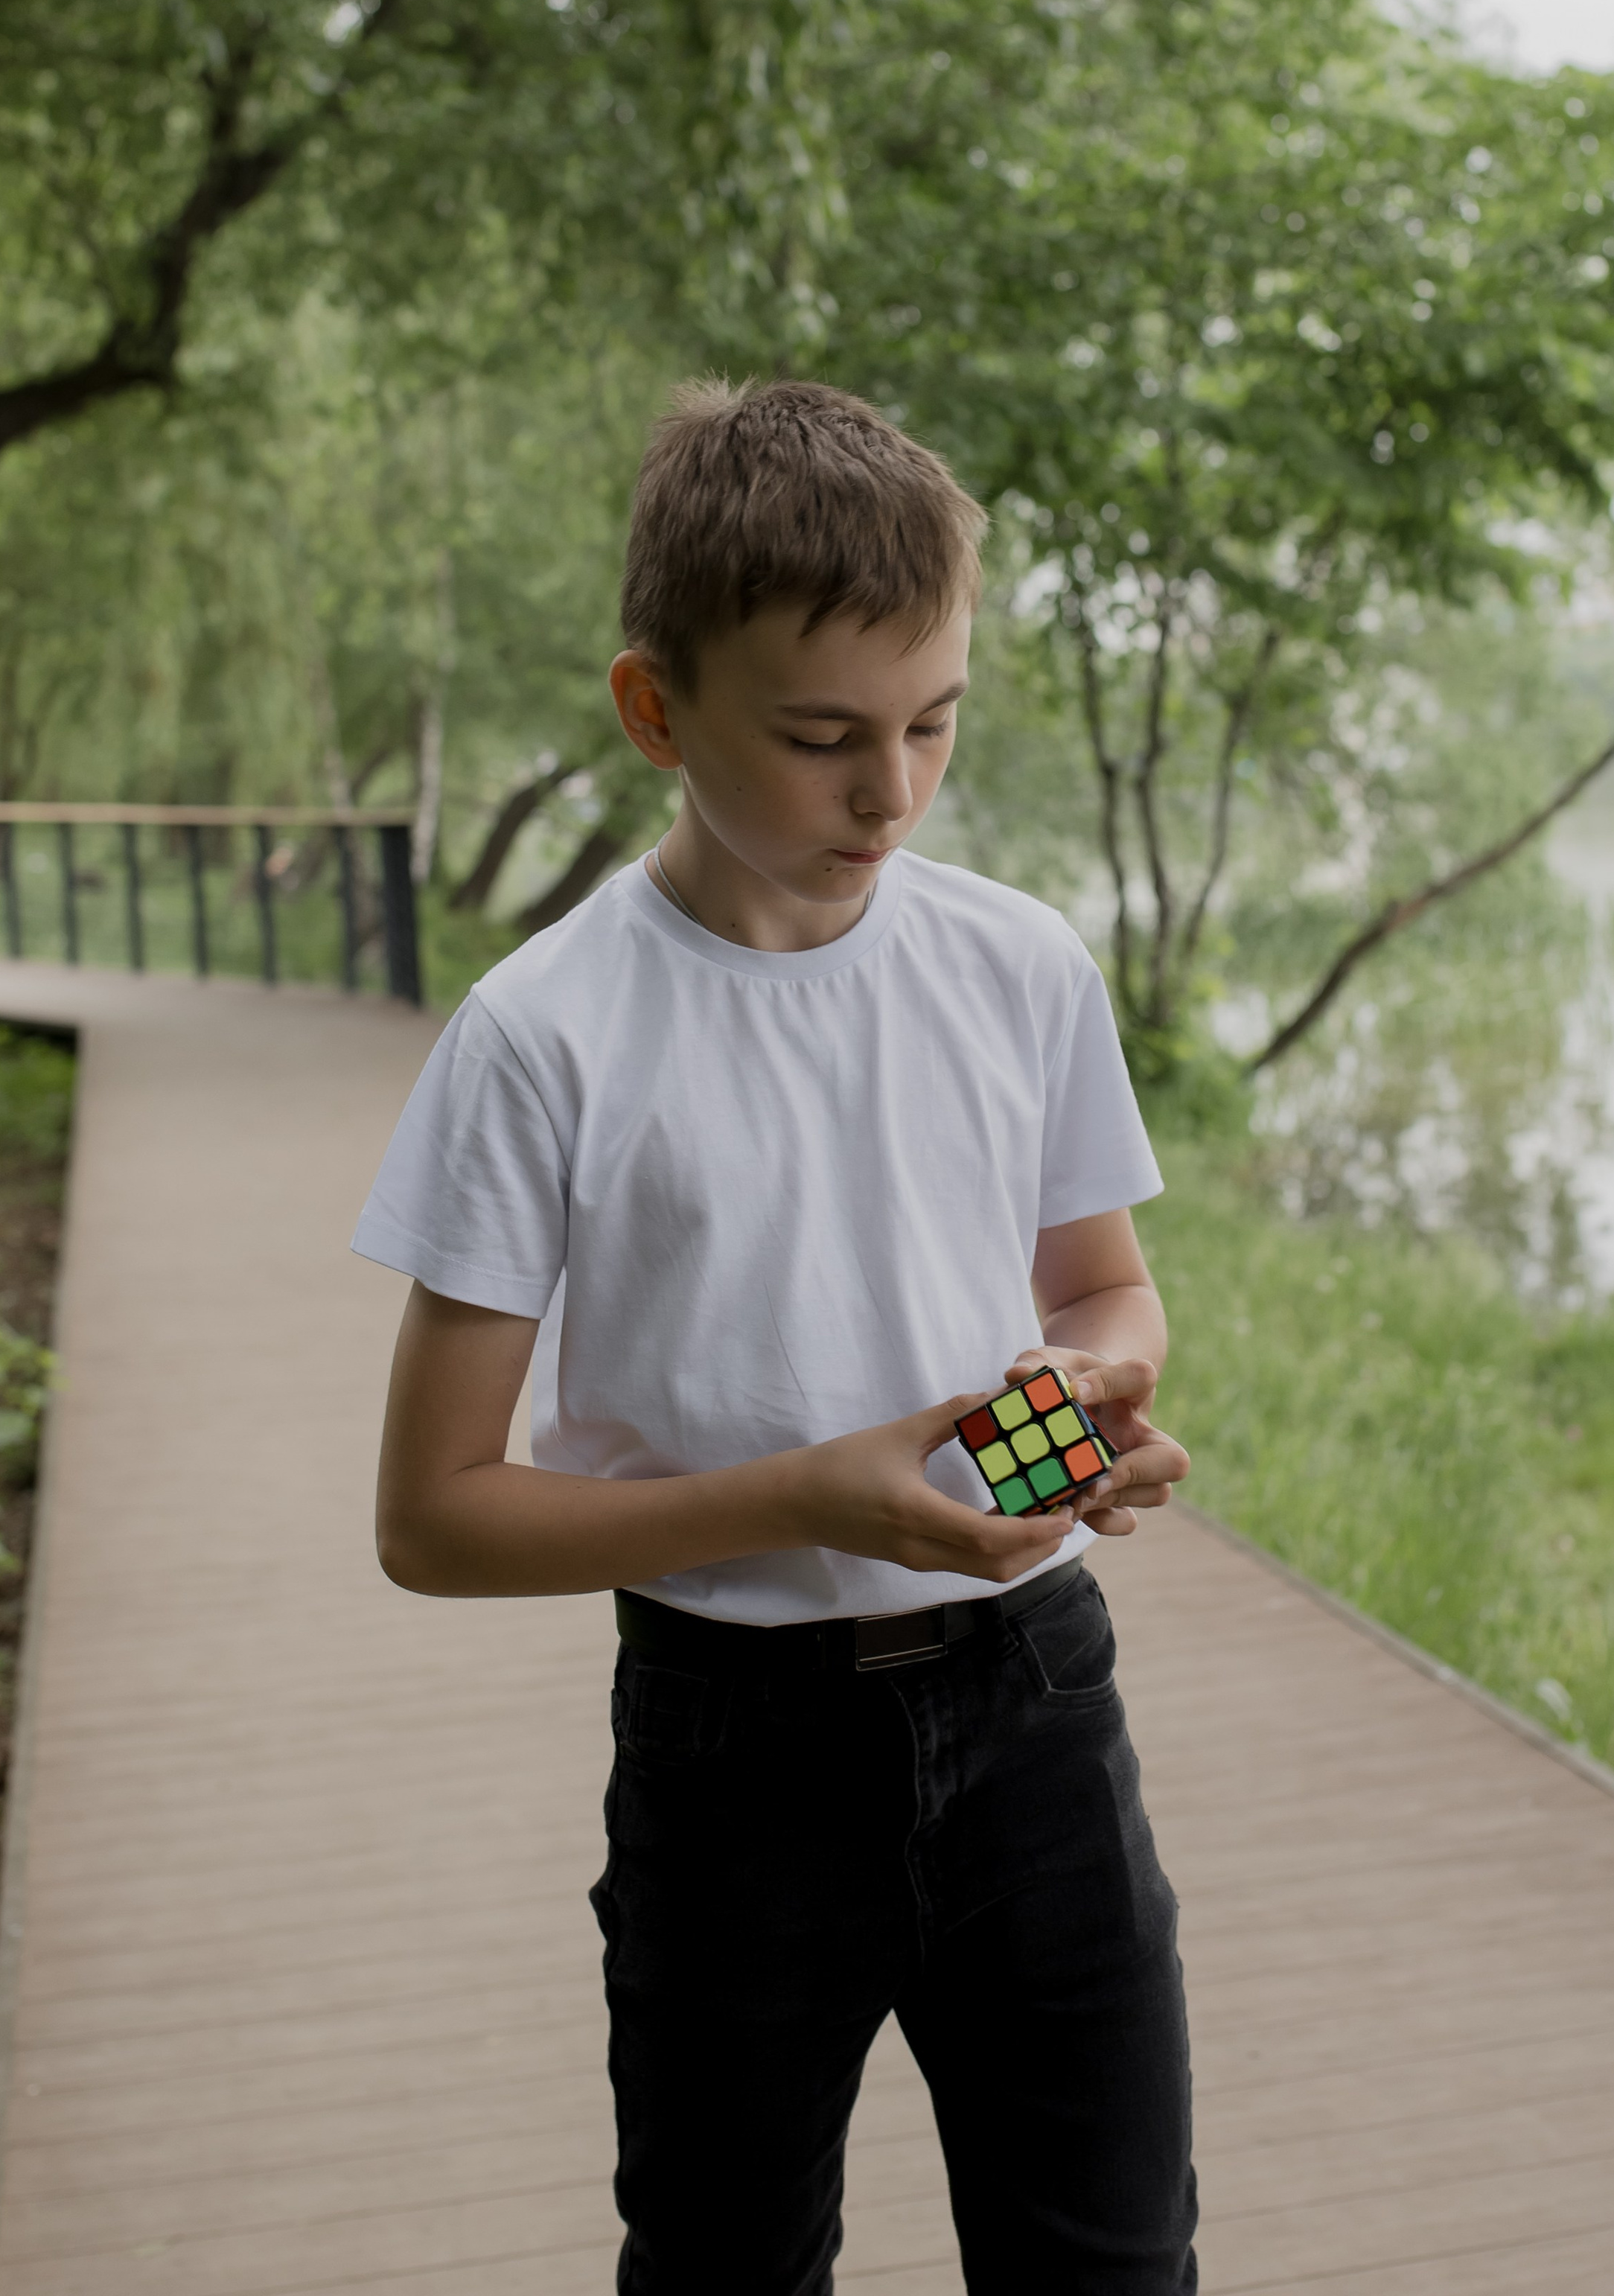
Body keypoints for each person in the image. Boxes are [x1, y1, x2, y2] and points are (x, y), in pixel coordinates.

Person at [357, 377, 1198, 2295]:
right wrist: (804, 1497)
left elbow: (1099, 1286)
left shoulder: (1016, 965)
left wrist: (1079, 1406)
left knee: (1113, 2260)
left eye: (932, 723)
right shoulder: (542, 1034)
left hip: (1038, 1703)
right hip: (733, 1759)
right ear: (655, 707)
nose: (888, 792)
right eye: (821, 736)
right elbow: (435, 1516)